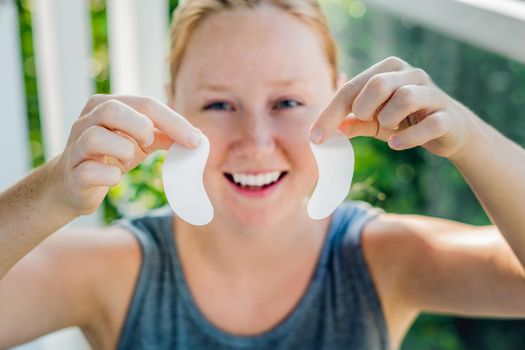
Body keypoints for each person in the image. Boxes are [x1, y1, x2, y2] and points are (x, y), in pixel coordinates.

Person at [1, 0, 524, 349]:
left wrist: (469, 140)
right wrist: (54, 192)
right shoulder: (118, 270)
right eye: (219, 103)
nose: (255, 142)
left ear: (340, 97)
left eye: (288, 102)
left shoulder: (381, 257)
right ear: (172, 104)